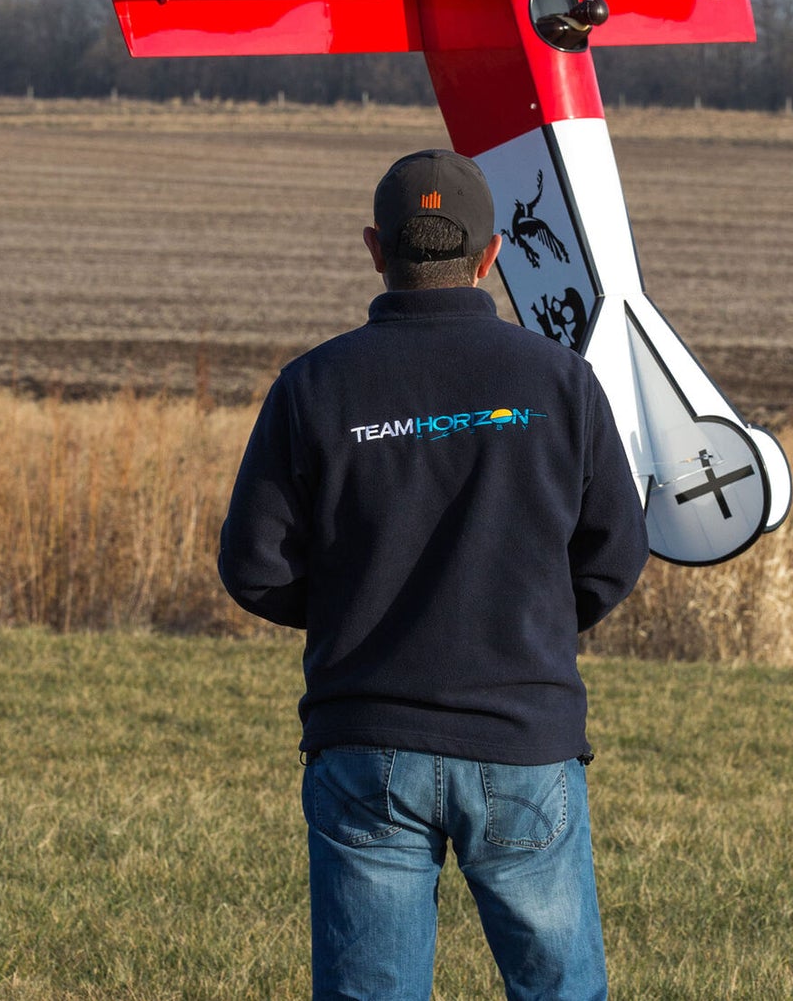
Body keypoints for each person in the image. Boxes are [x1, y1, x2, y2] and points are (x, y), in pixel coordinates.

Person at [219, 148, 648, 1001]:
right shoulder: (560, 381)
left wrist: (357, 610)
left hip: (364, 738)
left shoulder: (311, 387)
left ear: (375, 249)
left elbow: (252, 565)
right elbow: (615, 551)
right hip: (524, 733)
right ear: (491, 255)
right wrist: (525, 619)